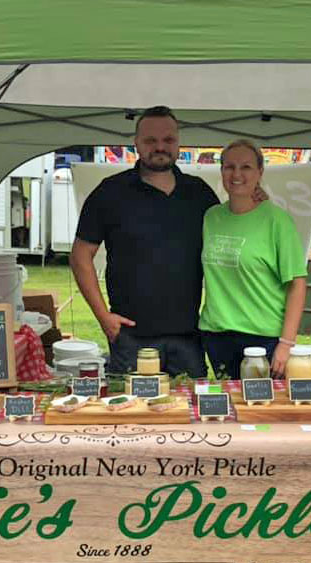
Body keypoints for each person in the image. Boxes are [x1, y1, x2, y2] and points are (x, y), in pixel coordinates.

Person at [70, 106, 219, 377]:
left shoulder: (200, 194)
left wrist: (255, 196)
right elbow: (80, 256)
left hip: (188, 337)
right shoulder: (110, 192)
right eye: (151, 140)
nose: (160, 147)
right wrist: (104, 318)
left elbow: (232, 235)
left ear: (178, 143)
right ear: (136, 143)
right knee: (129, 415)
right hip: (130, 337)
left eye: (168, 140)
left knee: (191, 416)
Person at [199, 139, 308, 379]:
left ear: (260, 172)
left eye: (246, 167)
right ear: (221, 171)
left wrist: (286, 343)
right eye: (229, 166)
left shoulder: (277, 221)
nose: (237, 174)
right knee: (229, 410)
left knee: (262, 411)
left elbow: (297, 284)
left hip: (264, 340)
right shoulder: (211, 217)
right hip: (217, 335)